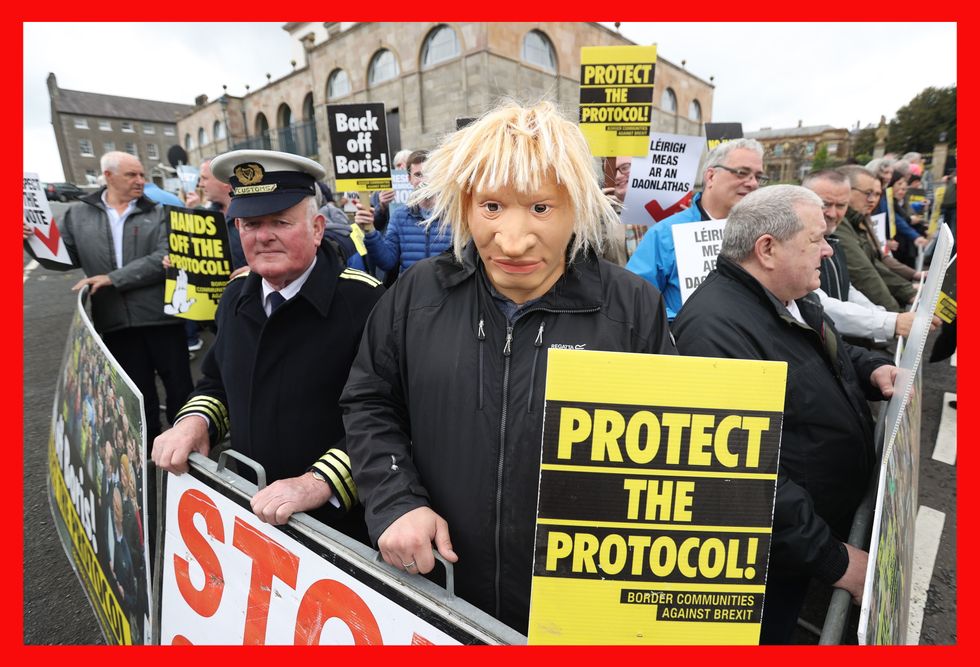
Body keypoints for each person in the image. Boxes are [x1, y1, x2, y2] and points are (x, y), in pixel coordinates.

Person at [341, 101, 676, 633]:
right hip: (440, 592)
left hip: (578, 610)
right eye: (492, 207)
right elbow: (370, 400)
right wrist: (395, 498)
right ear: (464, 205)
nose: (513, 241)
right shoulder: (417, 293)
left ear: (578, 209)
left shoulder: (633, 307)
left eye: (541, 208)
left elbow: (670, 449)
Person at [672, 185, 897, 644]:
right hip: (769, 564)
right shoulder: (713, 331)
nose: (829, 251)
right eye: (816, 240)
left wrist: (873, 368)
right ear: (767, 249)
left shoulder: (789, 295)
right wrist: (831, 558)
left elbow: (828, 352)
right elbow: (742, 473)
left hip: (806, 535)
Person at [151, 149, 385, 533]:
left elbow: (392, 415)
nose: (263, 236)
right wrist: (194, 422)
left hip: (337, 526)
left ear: (317, 228)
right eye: (250, 223)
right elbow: (217, 382)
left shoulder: (367, 303)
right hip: (247, 508)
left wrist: (320, 482)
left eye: (280, 221)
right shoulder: (236, 295)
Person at [24, 151, 192, 443]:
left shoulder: (159, 211)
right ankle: (148, 457)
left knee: (180, 390)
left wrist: (114, 279)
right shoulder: (77, 214)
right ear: (108, 176)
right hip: (114, 322)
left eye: (142, 174)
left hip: (161, 318)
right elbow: (64, 259)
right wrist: (31, 242)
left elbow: (165, 256)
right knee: (137, 396)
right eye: (132, 175)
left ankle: (189, 453)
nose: (141, 181)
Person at [626, 137, 768, 320]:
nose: (753, 183)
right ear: (711, 176)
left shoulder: (764, 235)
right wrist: (682, 324)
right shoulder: (665, 234)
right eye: (742, 172)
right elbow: (634, 297)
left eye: (758, 177)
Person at [802, 170, 925, 345]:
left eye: (841, 206)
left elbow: (847, 285)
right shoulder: (797, 241)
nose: (833, 213)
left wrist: (885, 315)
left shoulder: (836, 234)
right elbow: (817, 302)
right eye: (824, 204)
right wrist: (890, 320)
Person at [355, 150, 452, 280]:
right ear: (409, 179)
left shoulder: (453, 215)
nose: (424, 180)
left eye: (429, 174)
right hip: (412, 293)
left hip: (446, 293)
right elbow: (387, 261)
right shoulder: (400, 216)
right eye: (418, 175)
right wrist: (370, 231)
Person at [836, 166, 918, 311]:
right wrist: (896, 315)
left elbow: (876, 260)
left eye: (877, 194)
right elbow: (863, 271)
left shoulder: (862, 218)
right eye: (868, 193)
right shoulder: (839, 222)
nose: (872, 200)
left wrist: (909, 290)